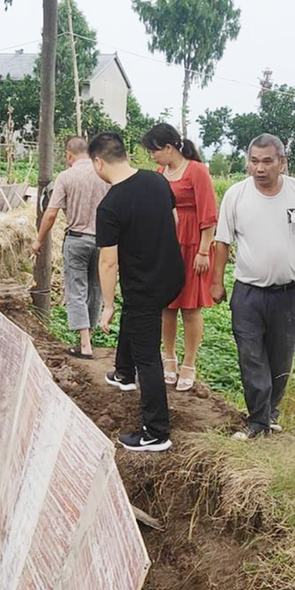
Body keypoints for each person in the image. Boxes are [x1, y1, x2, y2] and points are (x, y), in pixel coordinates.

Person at [211, 134, 295, 440]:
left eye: (267, 161)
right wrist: (216, 281)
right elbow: (222, 242)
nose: (259, 168)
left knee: (281, 358)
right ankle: (259, 422)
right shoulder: (236, 195)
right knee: (250, 355)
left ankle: (269, 412)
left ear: (281, 163)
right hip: (248, 293)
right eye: (254, 161)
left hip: (289, 293)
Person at [91, 132, 184, 452]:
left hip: (146, 285)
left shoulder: (110, 206)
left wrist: (106, 305)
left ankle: (156, 431)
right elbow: (172, 219)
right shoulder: (157, 181)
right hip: (171, 274)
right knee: (135, 312)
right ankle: (123, 372)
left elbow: (107, 262)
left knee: (148, 355)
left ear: (98, 162)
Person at [144, 123, 218, 392]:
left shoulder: (197, 171)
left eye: (154, 150)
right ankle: (169, 358)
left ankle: (189, 362)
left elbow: (209, 213)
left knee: (190, 306)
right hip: (168, 244)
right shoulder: (161, 173)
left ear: (168, 147)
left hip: (193, 244)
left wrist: (203, 250)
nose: (152, 156)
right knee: (167, 305)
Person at [32, 136, 110, 358]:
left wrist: (39, 240)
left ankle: (84, 345)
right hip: (102, 241)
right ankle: (90, 339)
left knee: (77, 290)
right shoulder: (104, 175)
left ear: (69, 155)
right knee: (95, 289)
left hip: (76, 239)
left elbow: (51, 213)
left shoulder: (66, 177)